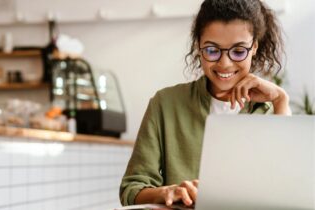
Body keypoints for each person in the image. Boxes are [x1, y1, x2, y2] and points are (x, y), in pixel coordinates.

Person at [120, 0, 291, 207]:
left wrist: (281, 101)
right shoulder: (165, 104)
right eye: (212, 50)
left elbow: (286, 190)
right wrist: (167, 192)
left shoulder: (270, 112)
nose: (224, 63)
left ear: (254, 46)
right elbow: (132, 189)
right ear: (198, 46)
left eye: (238, 51)